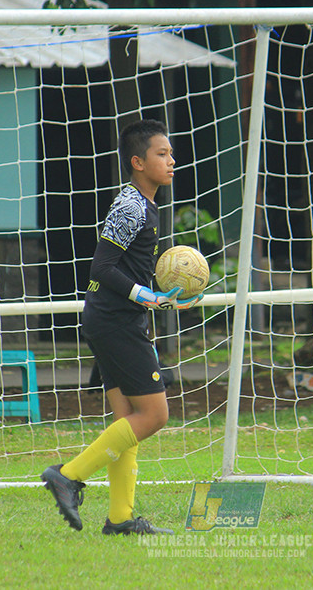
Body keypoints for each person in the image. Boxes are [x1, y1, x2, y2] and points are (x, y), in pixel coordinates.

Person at [41, 119, 202, 536]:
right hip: (115, 321)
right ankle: (69, 476)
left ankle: (120, 518)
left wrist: (166, 292)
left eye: (171, 153)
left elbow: (128, 269)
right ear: (137, 162)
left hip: (109, 318)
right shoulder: (132, 205)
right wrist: (145, 297)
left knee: (127, 417)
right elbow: (102, 267)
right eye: (162, 154)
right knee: (154, 415)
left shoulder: (145, 203)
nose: (171, 160)